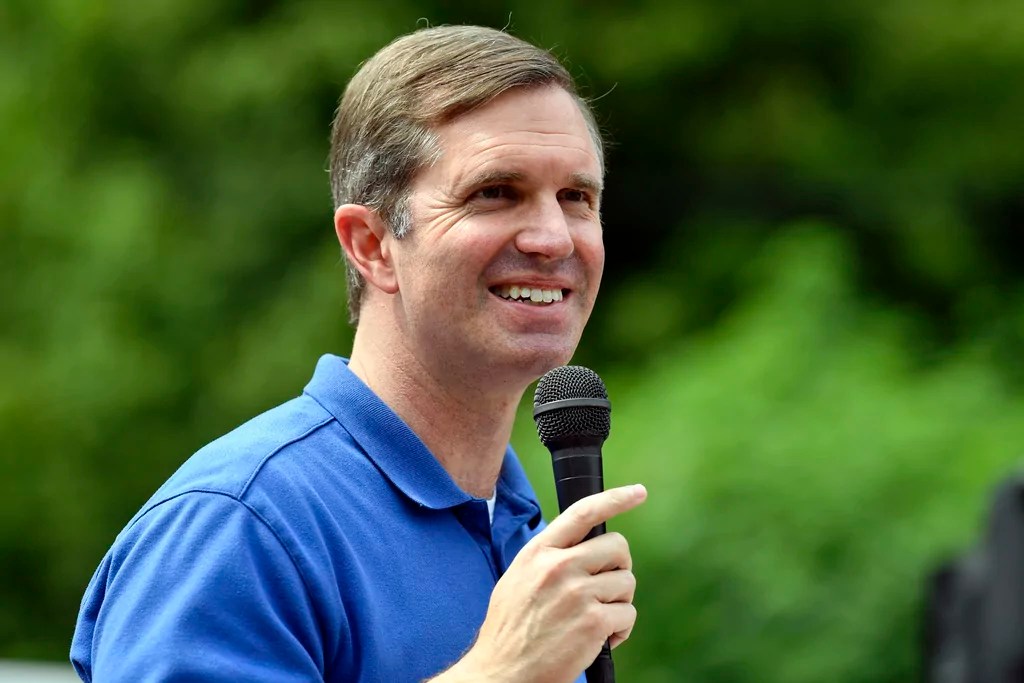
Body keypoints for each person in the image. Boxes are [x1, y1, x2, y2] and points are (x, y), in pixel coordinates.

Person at [71, 24, 646, 683]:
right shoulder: (239, 526)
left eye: (576, 197)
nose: (551, 236)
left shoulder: (522, 526)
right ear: (371, 245)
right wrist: (498, 673)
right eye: (495, 192)